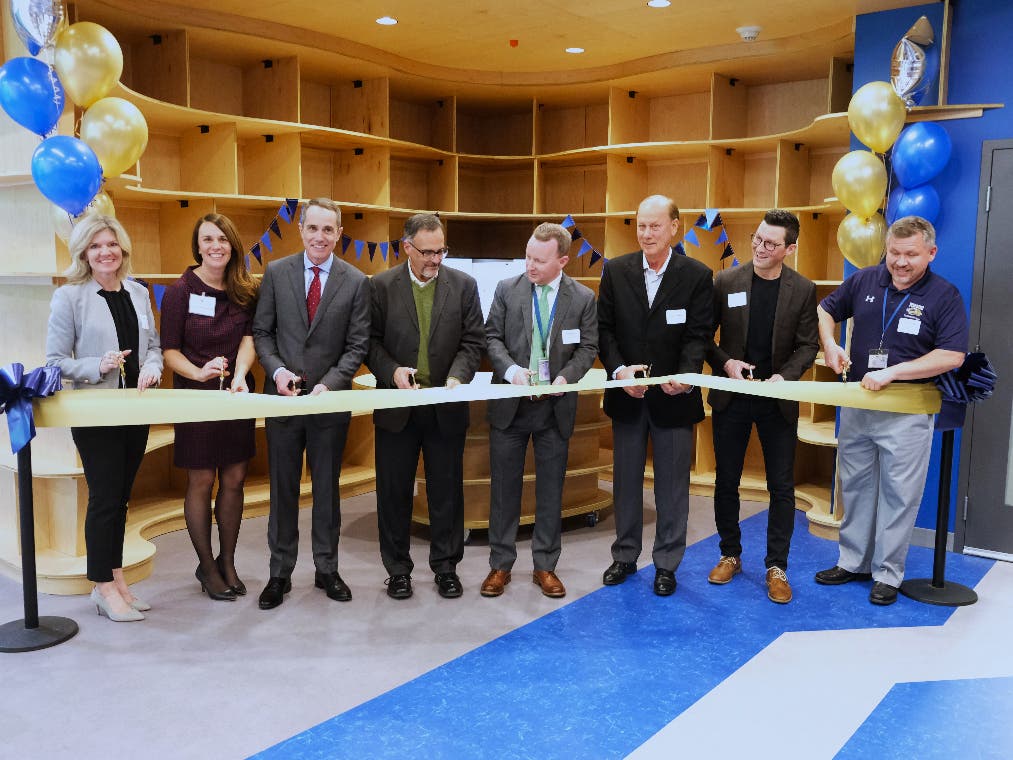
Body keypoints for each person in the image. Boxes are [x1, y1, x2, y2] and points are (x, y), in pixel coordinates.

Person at [815, 216, 967, 605]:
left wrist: (895, 373)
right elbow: (825, 310)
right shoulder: (866, 280)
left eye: (910, 255)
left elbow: (951, 355)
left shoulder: (944, 296)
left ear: (931, 253)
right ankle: (852, 562)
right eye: (894, 253)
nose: (899, 262)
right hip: (859, 405)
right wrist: (831, 345)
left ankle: (887, 574)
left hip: (907, 409)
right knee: (856, 486)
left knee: (900, 494)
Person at [252, 198, 370, 610]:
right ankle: (279, 573)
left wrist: (331, 384)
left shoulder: (356, 281)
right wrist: (278, 372)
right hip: (282, 401)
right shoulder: (276, 273)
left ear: (339, 234)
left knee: (327, 490)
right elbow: (262, 333)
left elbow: (357, 346)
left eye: (328, 230)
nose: (320, 237)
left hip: (329, 403)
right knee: (282, 489)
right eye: (313, 228)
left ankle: (327, 568)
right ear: (300, 229)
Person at [45, 215, 162, 622]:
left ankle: (117, 579)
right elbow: (56, 363)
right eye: (95, 246)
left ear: (123, 249)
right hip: (96, 413)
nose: (105, 252)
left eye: (111, 244)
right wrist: (99, 364)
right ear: (83, 253)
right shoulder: (70, 297)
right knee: (105, 499)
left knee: (122, 497)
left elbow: (154, 346)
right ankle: (101, 586)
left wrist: (153, 368)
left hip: (136, 408)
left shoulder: (138, 292)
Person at [597, 195, 713, 596]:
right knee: (625, 482)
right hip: (626, 395)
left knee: (671, 487)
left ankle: (666, 564)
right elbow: (605, 331)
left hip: (675, 399)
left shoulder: (697, 275)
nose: (646, 234)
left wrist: (686, 376)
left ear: (674, 228)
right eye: (641, 226)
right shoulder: (615, 271)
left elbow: (699, 335)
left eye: (655, 226)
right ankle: (624, 556)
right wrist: (619, 371)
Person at [366, 213, 484, 600]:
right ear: (407, 247)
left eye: (441, 251)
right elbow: (370, 342)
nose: (435, 260)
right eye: (427, 252)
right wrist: (392, 370)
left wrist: (456, 378)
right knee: (394, 492)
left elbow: (473, 342)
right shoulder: (381, 286)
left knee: (446, 492)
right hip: (397, 408)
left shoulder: (464, 286)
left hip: (445, 407)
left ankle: (447, 567)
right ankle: (398, 570)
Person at [705, 209, 818, 604]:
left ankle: (777, 566)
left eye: (771, 243)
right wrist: (726, 363)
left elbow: (808, 344)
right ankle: (730, 553)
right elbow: (705, 337)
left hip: (777, 400)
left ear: (790, 248)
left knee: (781, 487)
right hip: (732, 396)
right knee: (726, 480)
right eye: (756, 239)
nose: (760, 248)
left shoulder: (803, 289)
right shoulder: (726, 280)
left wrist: (783, 379)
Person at [481, 222, 598, 599]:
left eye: (539, 260)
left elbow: (588, 348)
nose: (530, 265)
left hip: (555, 409)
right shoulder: (506, 289)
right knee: (504, 489)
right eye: (528, 256)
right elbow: (491, 337)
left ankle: (545, 565)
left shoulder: (582, 298)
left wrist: (566, 378)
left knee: (551, 490)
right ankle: (500, 564)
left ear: (562, 260)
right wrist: (511, 370)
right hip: (510, 407)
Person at [160, 213, 259, 602]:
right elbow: (169, 351)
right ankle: (207, 565)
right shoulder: (180, 291)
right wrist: (199, 373)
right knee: (201, 481)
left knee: (234, 480)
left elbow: (251, 338)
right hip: (196, 398)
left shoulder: (245, 290)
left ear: (232, 244)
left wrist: (241, 373)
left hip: (236, 395)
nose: (215, 246)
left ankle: (228, 561)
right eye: (207, 239)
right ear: (197, 246)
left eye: (222, 238)